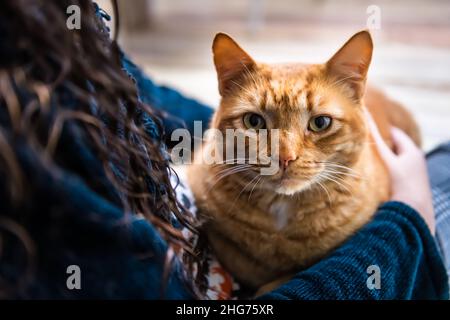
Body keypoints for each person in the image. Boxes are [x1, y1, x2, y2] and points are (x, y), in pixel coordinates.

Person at [0, 0, 448, 299]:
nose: (286, 155)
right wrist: (408, 219)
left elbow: (138, 97)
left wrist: (255, 108)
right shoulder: (39, 170)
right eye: (257, 125)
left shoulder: (54, 41)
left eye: (320, 125)